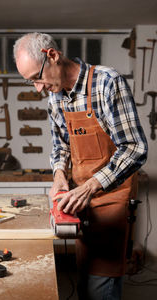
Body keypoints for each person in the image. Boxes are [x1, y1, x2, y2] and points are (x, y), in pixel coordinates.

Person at [14, 32, 148, 300]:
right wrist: (60, 175)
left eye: (37, 78)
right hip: (81, 204)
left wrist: (91, 186)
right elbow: (61, 145)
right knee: (85, 282)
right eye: (31, 83)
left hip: (111, 202)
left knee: (102, 286)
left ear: (52, 56)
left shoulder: (107, 82)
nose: (38, 88)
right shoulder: (55, 96)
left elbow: (135, 148)